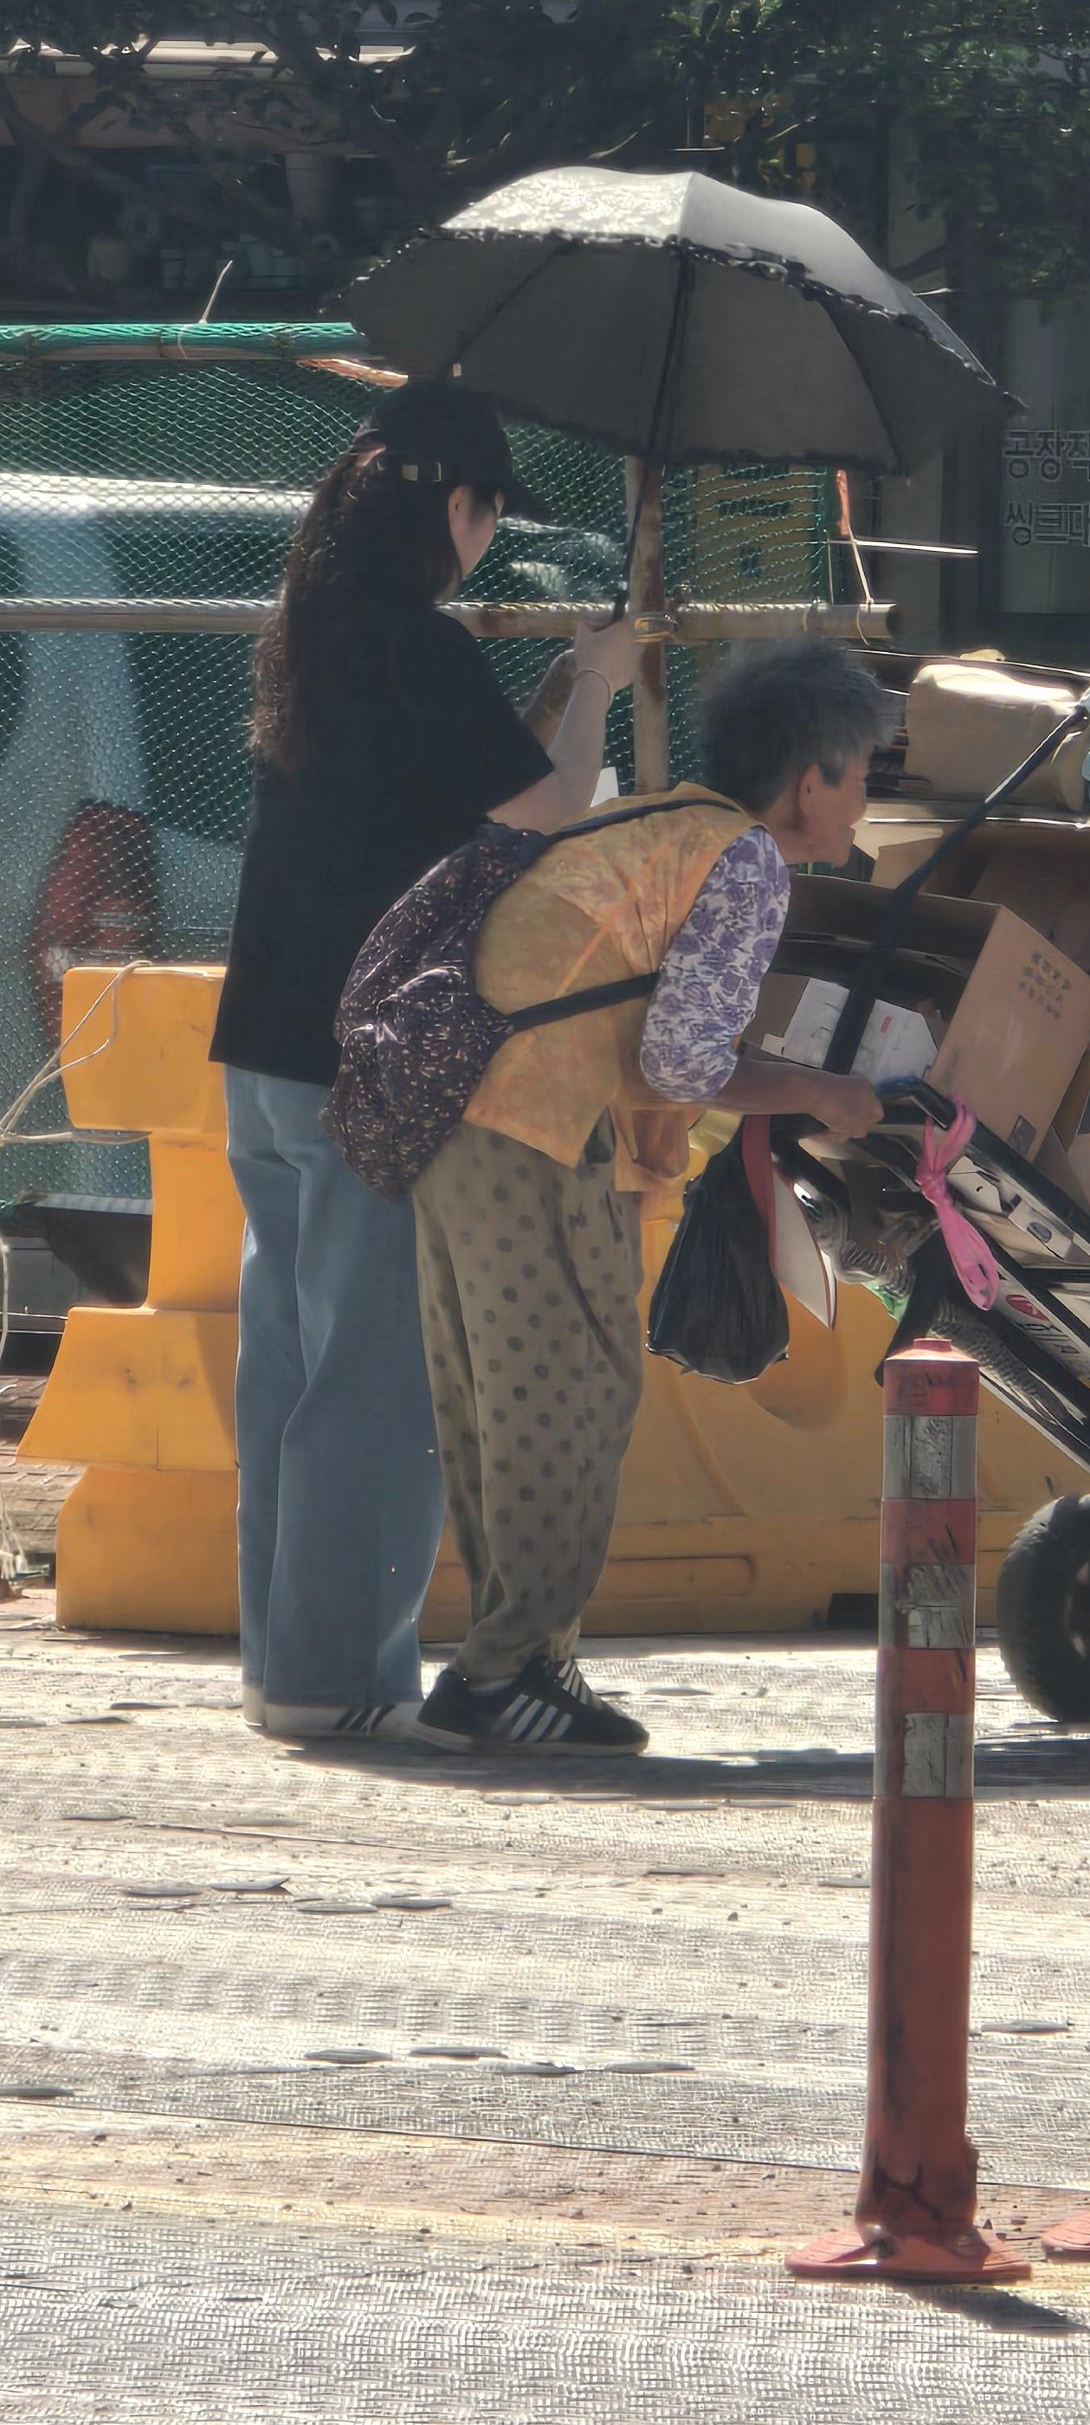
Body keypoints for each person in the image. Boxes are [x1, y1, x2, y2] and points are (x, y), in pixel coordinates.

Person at [212, 377, 639, 1743]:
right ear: (458, 505)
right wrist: (609, 689)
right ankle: (341, 1677)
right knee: (378, 1378)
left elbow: (449, 770)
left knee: (289, 1360)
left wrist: (562, 680)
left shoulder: (315, 633)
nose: (488, 540)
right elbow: (549, 805)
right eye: (491, 516)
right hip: (372, 1057)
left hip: (263, 1043)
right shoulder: (420, 642)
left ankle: (288, 1666)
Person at [410, 641, 892, 1758]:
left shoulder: (655, 820)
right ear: (808, 783)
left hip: (454, 1119)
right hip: (537, 1125)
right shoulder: (745, 860)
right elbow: (682, 1061)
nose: (867, 795)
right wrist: (818, 1089)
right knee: (571, 1395)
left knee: (499, 1395)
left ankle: (518, 1661)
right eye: (861, 770)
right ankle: (503, 1672)